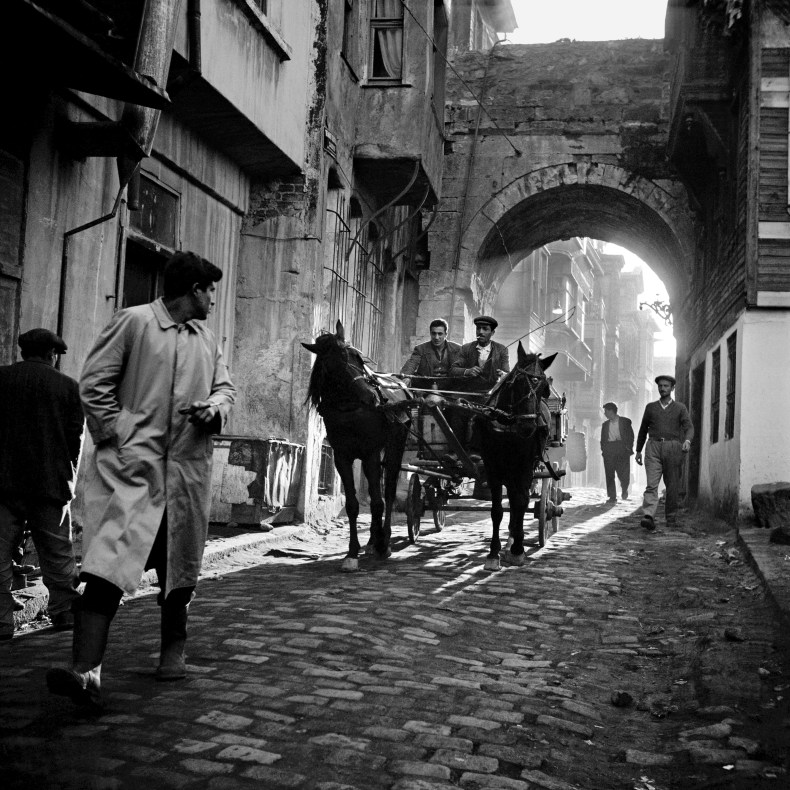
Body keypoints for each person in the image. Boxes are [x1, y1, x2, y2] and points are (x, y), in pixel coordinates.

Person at [46, 251, 235, 707]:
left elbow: (224, 388)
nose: (213, 298)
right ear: (194, 290)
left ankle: (173, 653)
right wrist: (120, 436)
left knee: (178, 572)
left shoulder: (206, 340)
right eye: (210, 290)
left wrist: (213, 410)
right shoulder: (133, 322)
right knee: (106, 570)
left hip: (185, 476)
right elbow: (94, 384)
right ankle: (85, 671)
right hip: (132, 474)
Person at [0, 328, 84, 641]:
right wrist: (67, 475)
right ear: (51, 354)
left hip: (4, 484)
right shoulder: (67, 387)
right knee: (58, 553)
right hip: (50, 484)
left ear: (23, 351)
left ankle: (1, 622)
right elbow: (76, 440)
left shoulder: (2, 379)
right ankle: (63, 612)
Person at [635, 375, 694, 530]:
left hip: (673, 447)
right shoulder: (651, 407)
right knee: (652, 484)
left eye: (666, 386)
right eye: (660, 386)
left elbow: (689, 427)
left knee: (672, 485)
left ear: (672, 388)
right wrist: (638, 450)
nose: (662, 388)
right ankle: (648, 515)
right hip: (653, 446)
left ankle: (671, 517)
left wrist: (687, 441)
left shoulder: (680, 408)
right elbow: (642, 430)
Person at [448, 316, 510, 458]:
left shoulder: (501, 350)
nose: (480, 332)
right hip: (469, 392)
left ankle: (475, 451)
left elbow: (507, 372)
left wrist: (503, 374)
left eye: (485, 329)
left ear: (492, 333)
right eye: (478, 328)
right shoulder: (466, 349)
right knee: (457, 410)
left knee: (485, 414)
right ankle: (455, 452)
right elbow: (453, 369)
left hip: (490, 394)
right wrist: (467, 371)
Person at [600, 402, 634, 503]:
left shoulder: (625, 422)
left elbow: (631, 436)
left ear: (611, 411)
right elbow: (603, 439)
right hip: (609, 450)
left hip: (622, 449)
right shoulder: (605, 425)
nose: (605, 413)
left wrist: (628, 448)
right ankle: (612, 496)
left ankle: (624, 489)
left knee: (623, 473)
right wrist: (604, 449)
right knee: (609, 473)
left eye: (606, 411)